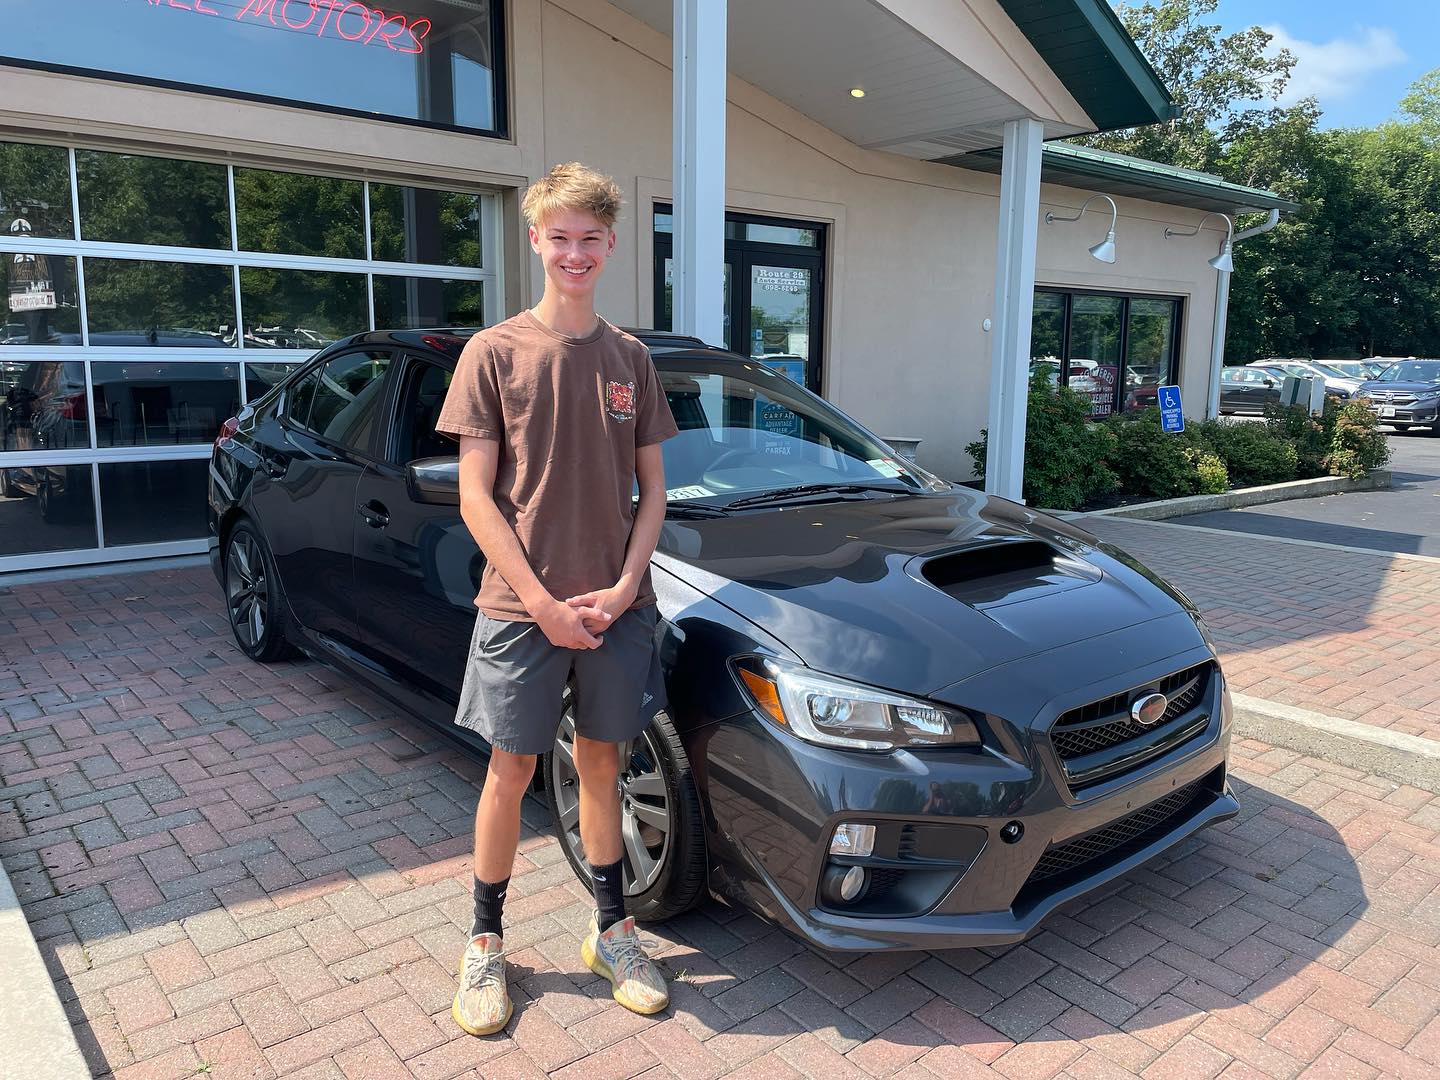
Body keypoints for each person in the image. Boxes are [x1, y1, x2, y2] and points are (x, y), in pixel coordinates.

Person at [436, 162, 679, 1037]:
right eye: (560, 237)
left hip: (617, 610)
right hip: (519, 610)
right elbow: (475, 496)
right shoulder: (493, 353)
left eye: (591, 239)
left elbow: (653, 490)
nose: (575, 253)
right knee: (509, 772)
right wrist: (541, 603)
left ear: (611, 245)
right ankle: (485, 942)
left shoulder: (631, 358)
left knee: (604, 765)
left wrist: (625, 585)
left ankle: (612, 932)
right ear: (535, 239)